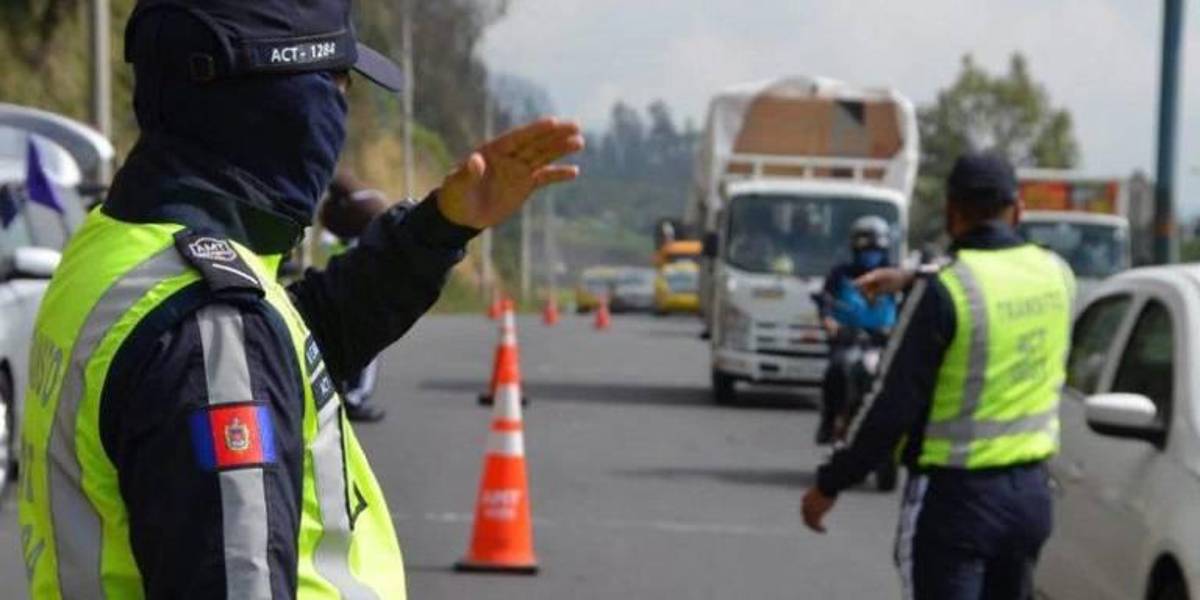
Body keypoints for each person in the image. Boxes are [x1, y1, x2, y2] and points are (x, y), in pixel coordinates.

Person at [17, 1, 583, 598]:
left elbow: (294, 349)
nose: (339, 114)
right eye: (335, 85)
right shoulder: (211, 327)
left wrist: (439, 227)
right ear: (273, 101)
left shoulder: (121, 245)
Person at [800, 153, 1075, 600]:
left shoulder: (944, 291)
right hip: (1030, 499)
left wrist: (831, 482)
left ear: (951, 212)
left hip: (956, 500)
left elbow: (890, 406)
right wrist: (910, 276)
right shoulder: (1057, 275)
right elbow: (996, 275)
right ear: (1018, 210)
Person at [815, 215, 897, 445]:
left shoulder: (893, 276)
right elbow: (826, 302)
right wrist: (830, 322)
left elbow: (909, 304)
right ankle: (829, 421)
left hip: (883, 344)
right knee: (837, 370)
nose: (870, 254)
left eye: (875, 249)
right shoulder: (840, 275)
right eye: (865, 248)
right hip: (849, 341)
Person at [319, 172, 391, 422]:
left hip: (338, 289)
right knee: (367, 347)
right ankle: (354, 397)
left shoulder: (343, 224)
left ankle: (341, 393)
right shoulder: (365, 217)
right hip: (360, 293)